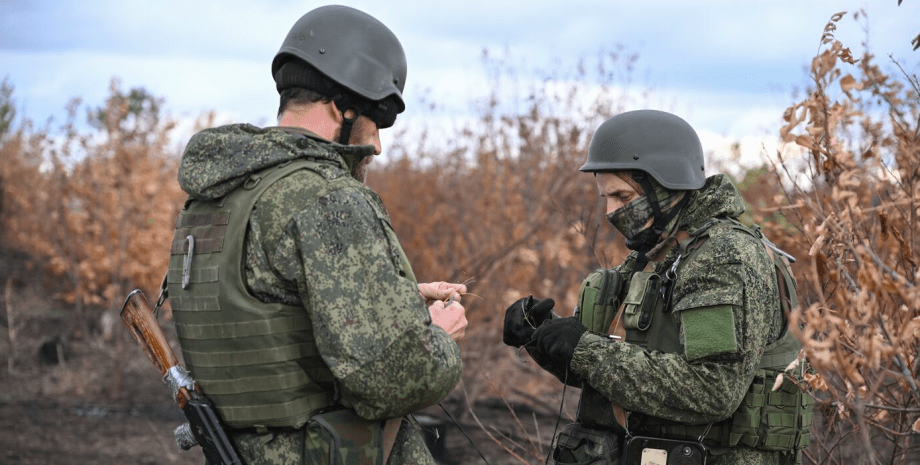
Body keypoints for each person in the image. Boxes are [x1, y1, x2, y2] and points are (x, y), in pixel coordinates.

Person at [166, 5, 467, 464]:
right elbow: (392, 380)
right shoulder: (327, 198)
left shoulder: (218, 195)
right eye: (377, 121)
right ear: (341, 106)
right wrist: (440, 338)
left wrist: (396, 299)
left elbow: (267, 316)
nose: (378, 145)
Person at [503, 110, 812, 465]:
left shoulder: (724, 257)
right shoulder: (657, 254)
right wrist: (542, 337)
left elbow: (713, 389)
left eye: (622, 196)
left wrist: (585, 349)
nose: (610, 211)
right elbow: (620, 374)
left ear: (665, 184)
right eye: (606, 197)